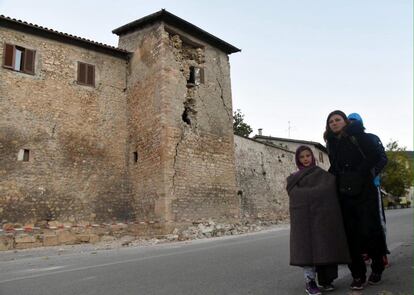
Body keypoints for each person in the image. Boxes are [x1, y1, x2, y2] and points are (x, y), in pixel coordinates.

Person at [324, 110, 388, 290]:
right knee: (350, 236)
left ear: (345, 122)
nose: (334, 123)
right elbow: (335, 166)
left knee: (370, 231)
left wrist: (362, 174)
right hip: (344, 193)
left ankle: (377, 267)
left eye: (337, 120)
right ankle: (358, 275)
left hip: (364, 192)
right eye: (331, 122)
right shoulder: (331, 143)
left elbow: (376, 157)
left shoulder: (360, 136)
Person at [287, 145, 351, 295]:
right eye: (301, 157)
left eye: (307, 156)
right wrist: (313, 195)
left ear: (312, 157)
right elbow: (295, 195)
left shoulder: (324, 176)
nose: (305, 159)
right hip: (303, 219)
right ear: (298, 159)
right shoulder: (293, 178)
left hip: (322, 217)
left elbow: (328, 192)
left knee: (325, 246)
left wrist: (310, 195)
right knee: (306, 250)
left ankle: (327, 280)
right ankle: (310, 282)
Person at [348, 113, 389, 267]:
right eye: (349, 121)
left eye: (354, 121)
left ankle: (382, 252)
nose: (351, 124)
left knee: (376, 219)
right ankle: (365, 251)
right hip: (355, 188)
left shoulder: (372, 138)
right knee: (359, 221)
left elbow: (382, 158)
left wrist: (371, 173)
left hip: (372, 184)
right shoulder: (346, 141)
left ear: (360, 123)